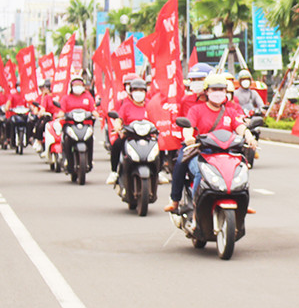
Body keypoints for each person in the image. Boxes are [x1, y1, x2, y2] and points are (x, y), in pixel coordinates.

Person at [165, 73, 256, 213]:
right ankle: (182, 203)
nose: (218, 93)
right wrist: (189, 138)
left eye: (221, 89)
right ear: (207, 91)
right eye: (214, 89)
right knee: (188, 167)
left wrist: (249, 137)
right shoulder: (196, 110)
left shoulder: (230, 112)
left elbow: (241, 127)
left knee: (241, 170)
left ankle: (243, 202)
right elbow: (188, 127)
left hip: (224, 152)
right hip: (200, 151)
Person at [107, 78, 157, 185]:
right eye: (136, 90)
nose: (138, 93)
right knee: (117, 144)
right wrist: (118, 127)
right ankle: (114, 171)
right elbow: (119, 120)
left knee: (160, 147)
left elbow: (157, 119)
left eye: (141, 90)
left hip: (147, 137)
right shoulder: (126, 106)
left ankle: (159, 171)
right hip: (130, 136)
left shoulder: (150, 105)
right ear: (131, 92)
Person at [59, 74, 97, 174]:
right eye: (75, 84)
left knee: (90, 139)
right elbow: (61, 111)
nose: (78, 86)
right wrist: (60, 115)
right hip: (70, 125)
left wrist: (96, 114)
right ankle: (68, 161)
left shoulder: (88, 97)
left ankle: (89, 160)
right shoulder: (66, 98)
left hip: (85, 125)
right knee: (67, 140)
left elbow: (93, 110)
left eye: (79, 84)